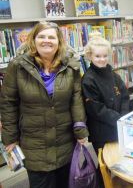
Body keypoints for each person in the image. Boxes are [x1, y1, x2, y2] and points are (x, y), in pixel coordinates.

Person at [0, 21, 89, 188]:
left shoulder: (71, 67)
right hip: (35, 145)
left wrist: (81, 130)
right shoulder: (18, 66)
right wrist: (10, 139)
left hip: (65, 142)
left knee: (66, 183)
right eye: (41, 36)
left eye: (51, 37)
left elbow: (76, 100)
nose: (46, 40)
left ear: (59, 41)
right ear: (33, 40)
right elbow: (8, 103)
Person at [81, 32, 129, 153]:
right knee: (105, 163)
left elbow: (124, 96)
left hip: (119, 125)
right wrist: (120, 119)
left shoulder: (113, 74)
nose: (102, 60)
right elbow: (97, 110)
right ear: (89, 56)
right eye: (97, 56)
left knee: (119, 158)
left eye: (105, 56)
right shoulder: (88, 80)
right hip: (102, 132)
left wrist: (124, 116)